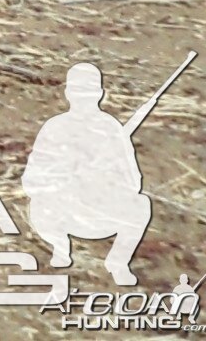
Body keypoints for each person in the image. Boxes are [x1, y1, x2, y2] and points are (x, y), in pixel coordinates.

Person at [21, 62, 155, 283]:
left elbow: (133, 182)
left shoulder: (112, 129)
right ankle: (60, 247)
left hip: (99, 208)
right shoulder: (54, 127)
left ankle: (118, 262)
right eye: (78, 92)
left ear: (100, 94)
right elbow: (32, 181)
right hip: (63, 209)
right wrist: (66, 177)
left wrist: (104, 176)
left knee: (141, 205)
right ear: (68, 93)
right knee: (38, 205)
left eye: (89, 93)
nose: (84, 99)